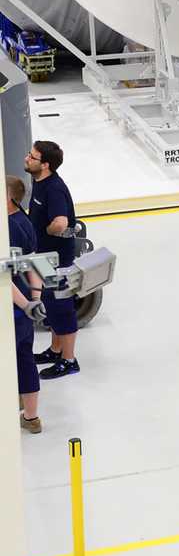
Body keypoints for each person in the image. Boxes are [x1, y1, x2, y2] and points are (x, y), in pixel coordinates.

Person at [23, 141, 80, 380]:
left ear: (45, 165)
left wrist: (47, 231)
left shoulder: (54, 188)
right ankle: (56, 351)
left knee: (61, 307)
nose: (27, 158)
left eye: (32, 157)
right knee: (52, 306)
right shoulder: (40, 181)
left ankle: (69, 360)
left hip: (58, 261)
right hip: (45, 257)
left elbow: (61, 223)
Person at [8, 176, 44, 433]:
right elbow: (34, 263)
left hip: (11, 307)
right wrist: (36, 299)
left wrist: (24, 304)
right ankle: (31, 417)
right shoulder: (25, 220)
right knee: (25, 358)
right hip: (25, 308)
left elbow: (2, 280)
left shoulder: (5, 228)